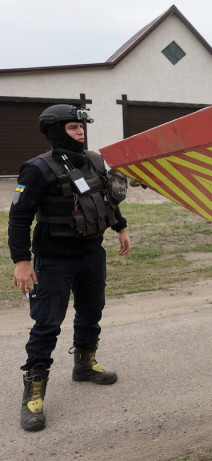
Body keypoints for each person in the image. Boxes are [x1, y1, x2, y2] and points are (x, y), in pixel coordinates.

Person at [8, 104, 132, 432]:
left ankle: (85, 364)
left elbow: (106, 196)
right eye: (73, 128)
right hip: (53, 261)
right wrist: (21, 260)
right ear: (55, 130)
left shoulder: (92, 160)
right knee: (47, 324)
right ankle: (34, 392)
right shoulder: (37, 168)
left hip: (92, 253)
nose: (80, 133)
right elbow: (19, 216)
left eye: (81, 128)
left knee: (91, 312)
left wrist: (120, 225)